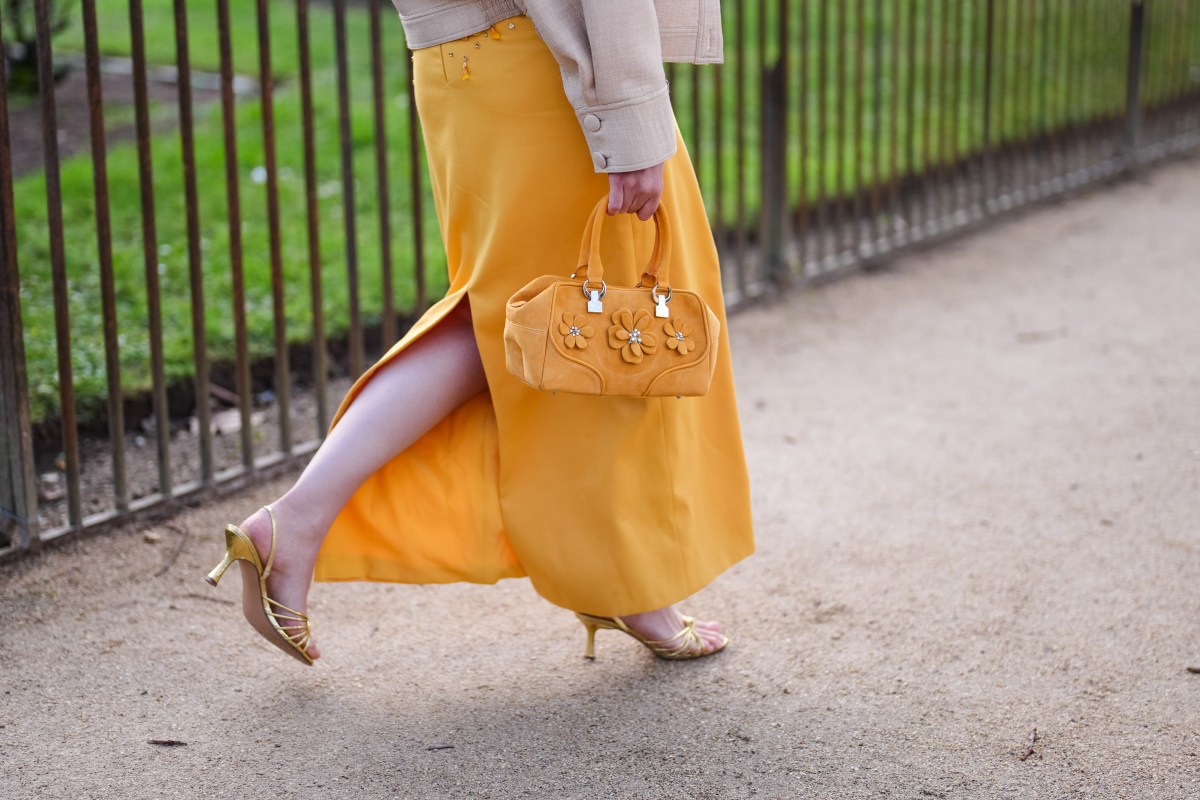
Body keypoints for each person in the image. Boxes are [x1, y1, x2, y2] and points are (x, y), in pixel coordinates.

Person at [205, 0, 754, 665]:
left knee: (517, 323)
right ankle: (295, 523)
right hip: (543, 67)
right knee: (592, 325)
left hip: (461, 64)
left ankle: (626, 585)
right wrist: (631, 119)